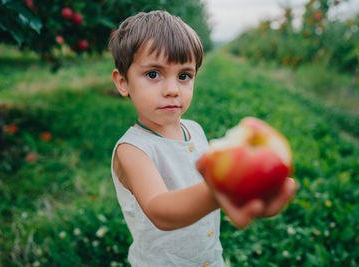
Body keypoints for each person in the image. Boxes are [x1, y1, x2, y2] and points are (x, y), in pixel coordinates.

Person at [109, 10, 297, 266]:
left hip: (209, 258)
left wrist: (244, 186)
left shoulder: (194, 130)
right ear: (123, 82)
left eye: (184, 76)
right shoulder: (133, 149)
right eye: (153, 74)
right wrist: (219, 193)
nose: (172, 90)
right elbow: (159, 209)